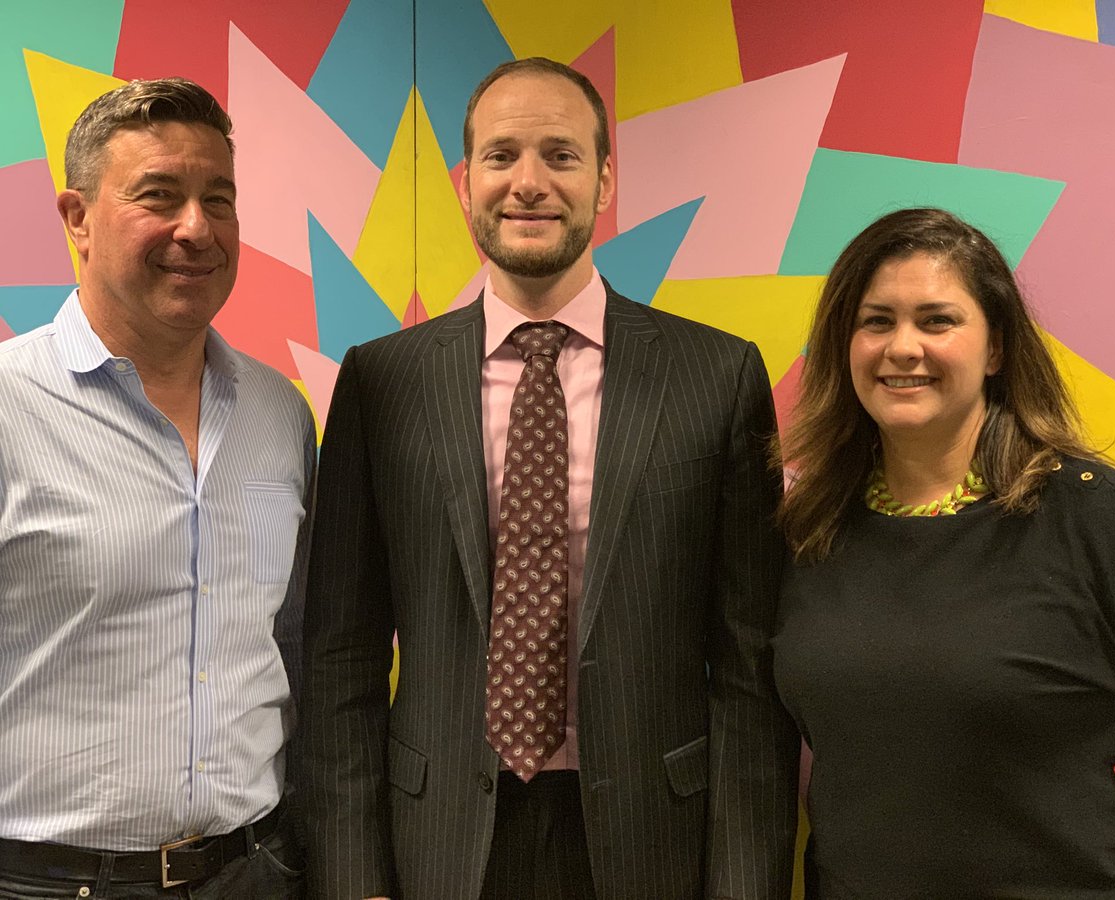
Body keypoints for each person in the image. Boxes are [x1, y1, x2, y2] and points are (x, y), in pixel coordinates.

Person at [299, 57, 799, 900]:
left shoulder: (716, 376)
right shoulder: (382, 382)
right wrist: (354, 879)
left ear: (605, 182)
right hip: (438, 841)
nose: (528, 183)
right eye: (501, 156)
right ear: (465, 182)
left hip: (652, 838)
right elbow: (341, 655)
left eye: (561, 155)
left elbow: (750, 670)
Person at [773, 207, 1115, 897]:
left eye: (936, 321)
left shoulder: (1090, 514)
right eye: (876, 321)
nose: (902, 347)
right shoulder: (812, 526)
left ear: (995, 349)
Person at [0, 78, 314, 899]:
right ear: (77, 218)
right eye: (159, 196)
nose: (197, 228)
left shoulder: (280, 413)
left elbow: (295, 644)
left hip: (256, 869)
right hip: (50, 881)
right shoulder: (6, 405)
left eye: (220, 199)